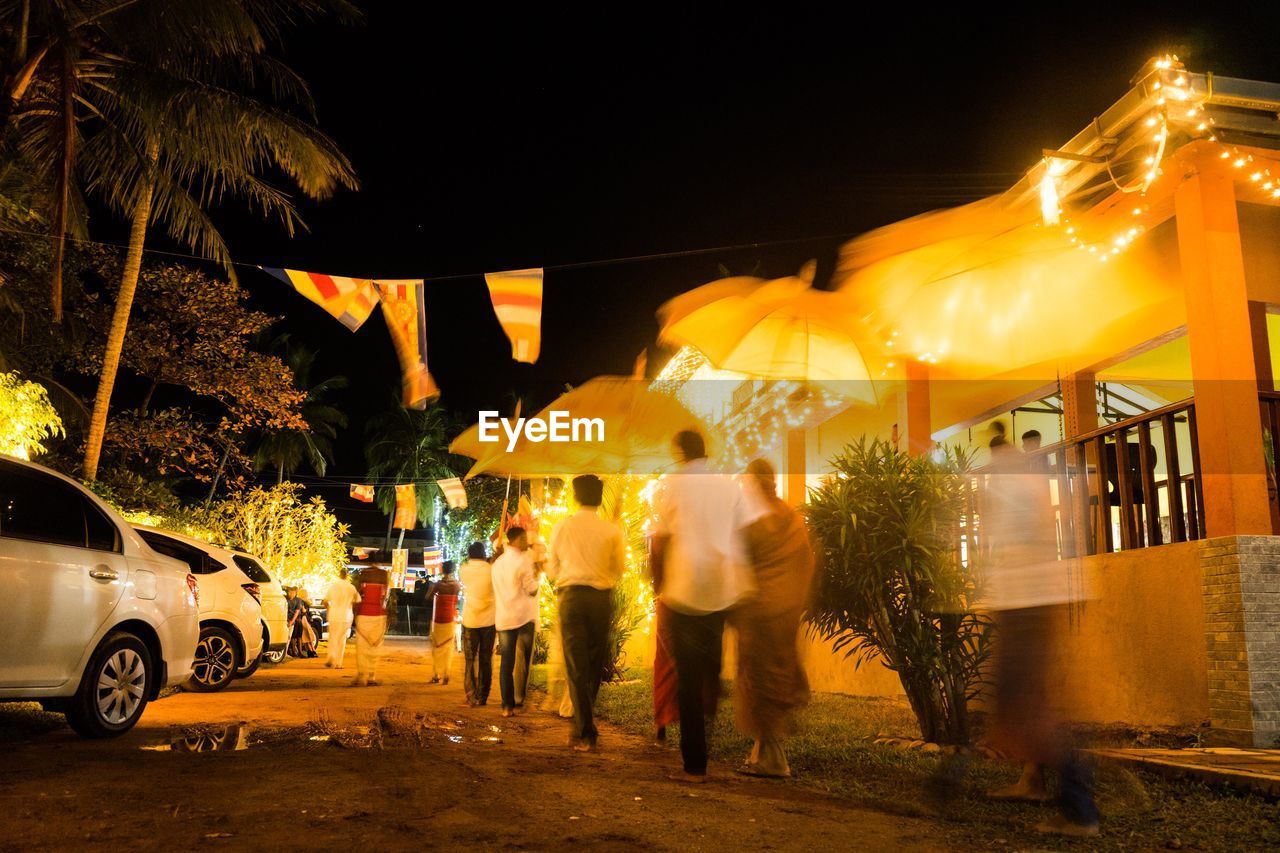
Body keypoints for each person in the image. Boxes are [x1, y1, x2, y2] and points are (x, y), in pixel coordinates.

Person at [983, 437, 1100, 837]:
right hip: (1031, 604)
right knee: (1029, 704)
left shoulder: (1014, 489)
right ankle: (1034, 782)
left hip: (1026, 607)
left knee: (1026, 710)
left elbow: (1016, 550)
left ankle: (1080, 806)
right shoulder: (1029, 486)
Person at [649, 429, 762, 782]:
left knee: (688, 675)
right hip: (721, 590)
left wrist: (658, 582)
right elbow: (748, 533)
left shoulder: (672, 485)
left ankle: (695, 761)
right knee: (710, 670)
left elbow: (661, 538)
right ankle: (707, 731)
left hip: (684, 591)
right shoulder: (729, 484)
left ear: (681, 452)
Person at [732, 459, 815, 778]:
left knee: (759, 681)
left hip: (760, 613)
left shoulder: (755, 518)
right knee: (776, 677)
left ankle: (775, 759)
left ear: (754, 482)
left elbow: (740, 566)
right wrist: (793, 599)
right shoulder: (791, 517)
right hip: (786, 612)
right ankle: (760, 752)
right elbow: (806, 563)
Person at [546, 474, 626, 752]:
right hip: (601, 599)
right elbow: (619, 568)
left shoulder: (562, 527)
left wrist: (562, 575)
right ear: (599, 496)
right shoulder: (612, 530)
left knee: (576, 665)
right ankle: (585, 726)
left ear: (575, 496)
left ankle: (584, 731)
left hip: (572, 597)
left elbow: (551, 566)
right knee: (593, 664)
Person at [491, 526, 540, 717]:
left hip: (504, 618)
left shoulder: (497, 564)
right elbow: (532, 589)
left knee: (507, 663)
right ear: (516, 540)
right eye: (524, 538)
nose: (526, 542)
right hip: (523, 617)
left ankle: (507, 705)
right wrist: (536, 581)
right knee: (524, 661)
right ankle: (521, 697)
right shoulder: (522, 561)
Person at [459, 542, 497, 706]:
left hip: (470, 619)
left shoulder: (464, 570)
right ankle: (483, 696)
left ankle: (470, 693)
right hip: (489, 619)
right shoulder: (491, 570)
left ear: (469, 555)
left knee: (469, 659)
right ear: (483, 554)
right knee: (485, 659)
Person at [353, 565, 390, 687]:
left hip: (364, 614)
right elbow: (385, 598)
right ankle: (371, 676)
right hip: (379, 614)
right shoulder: (383, 575)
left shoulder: (364, 574)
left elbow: (358, 597)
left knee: (362, 646)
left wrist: (354, 614)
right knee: (375, 645)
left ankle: (361, 675)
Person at [425, 561, 462, 684]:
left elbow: (428, 597)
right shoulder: (457, 585)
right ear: (452, 570)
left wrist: (433, 589)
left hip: (438, 618)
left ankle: (436, 674)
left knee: (436, 647)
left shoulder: (438, 584)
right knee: (448, 647)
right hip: (450, 618)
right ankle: (446, 672)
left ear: (443, 570)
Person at [322, 568, 361, 669]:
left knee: (333, 637)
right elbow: (358, 600)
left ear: (339, 575)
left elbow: (325, 601)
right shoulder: (351, 587)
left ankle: (331, 657)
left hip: (334, 615)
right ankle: (338, 663)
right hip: (346, 616)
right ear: (347, 575)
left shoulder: (333, 586)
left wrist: (330, 609)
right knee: (342, 639)